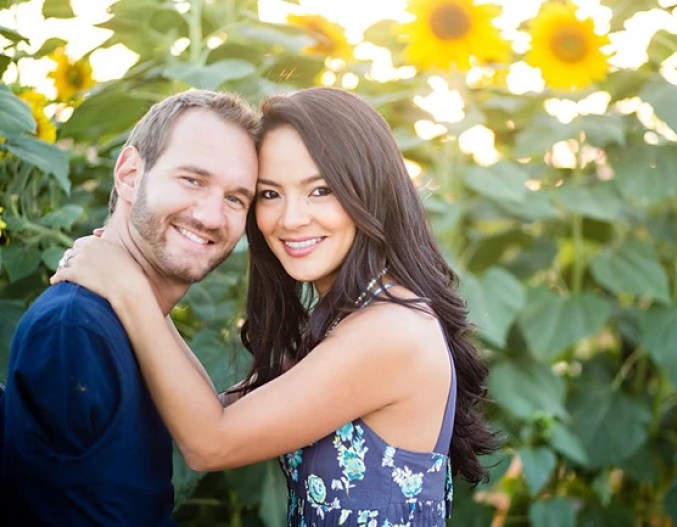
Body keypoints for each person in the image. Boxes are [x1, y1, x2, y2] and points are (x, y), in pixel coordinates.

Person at [52, 86, 498, 525]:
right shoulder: (349, 320)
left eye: (320, 190)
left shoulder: (390, 331)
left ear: (370, 189)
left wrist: (129, 290)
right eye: (269, 194)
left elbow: (211, 443)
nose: (290, 218)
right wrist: (134, 286)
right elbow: (213, 412)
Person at [1, 89, 261, 526]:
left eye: (236, 198)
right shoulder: (78, 329)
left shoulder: (135, 327)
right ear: (129, 174)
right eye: (192, 180)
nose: (212, 217)